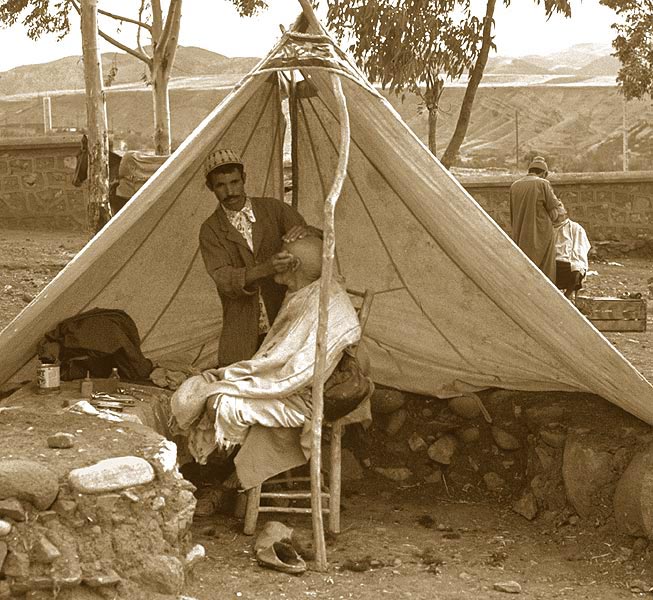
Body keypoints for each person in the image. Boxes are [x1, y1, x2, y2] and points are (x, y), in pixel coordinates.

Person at [171, 235, 365, 490]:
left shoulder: (327, 307)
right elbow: (281, 356)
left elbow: (299, 373)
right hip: (288, 385)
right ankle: (216, 476)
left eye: (282, 255)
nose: (274, 261)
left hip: (302, 397)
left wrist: (238, 380)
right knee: (204, 388)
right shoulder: (302, 293)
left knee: (219, 399)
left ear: (292, 265)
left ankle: (223, 479)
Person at [199, 148, 318, 367]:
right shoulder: (211, 230)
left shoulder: (273, 209)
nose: (230, 192)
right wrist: (266, 268)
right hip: (243, 325)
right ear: (210, 187)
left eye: (235, 182)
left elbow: (316, 239)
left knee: (288, 373)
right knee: (242, 380)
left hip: (284, 315)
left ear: (244, 179)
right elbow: (224, 279)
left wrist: (306, 232)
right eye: (221, 186)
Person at [510, 156, 565, 281]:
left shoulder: (515, 186)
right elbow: (555, 214)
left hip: (520, 233)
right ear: (544, 173)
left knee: (523, 268)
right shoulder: (543, 183)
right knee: (544, 269)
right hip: (541, 234)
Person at [553, 208, 591, 302]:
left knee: (576, 268)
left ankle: (566, 297)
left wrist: (577, 263)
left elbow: (579, 249)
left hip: (567, 263)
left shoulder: (575, 228)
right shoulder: (548, 227)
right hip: (553, 262)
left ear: (565, 213)